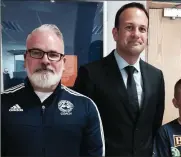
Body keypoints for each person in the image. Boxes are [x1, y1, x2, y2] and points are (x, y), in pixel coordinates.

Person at [73, 2, 165, 156]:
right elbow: (80, 127)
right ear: (115, 33)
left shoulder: (156, 77)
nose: (136, 34)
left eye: (142, 29)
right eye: (129, 27)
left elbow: (154, 126)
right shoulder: (90, 74)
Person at [1, 24, 105, 157]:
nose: (45, 61)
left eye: (53, 54)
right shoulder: (3, 103)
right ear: (26, 59)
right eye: (37, 53)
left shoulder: (86, 107)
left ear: (63, 63)